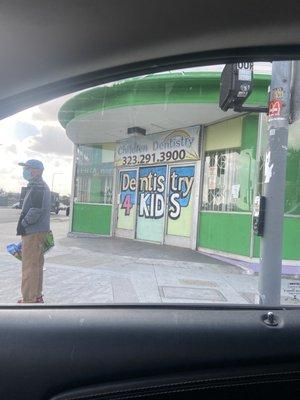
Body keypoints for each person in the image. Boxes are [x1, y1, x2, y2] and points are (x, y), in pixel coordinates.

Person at [16, 159, 51, 303]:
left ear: (37, 170)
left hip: (33, 232)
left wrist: (24, 224)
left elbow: (35, 210)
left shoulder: (38, 187)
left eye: (28, 168)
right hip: (37, 231)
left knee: (29, 266)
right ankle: (36, 296)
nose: (25, 171)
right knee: (36, 264)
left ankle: (29, 300)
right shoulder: (37, 186)